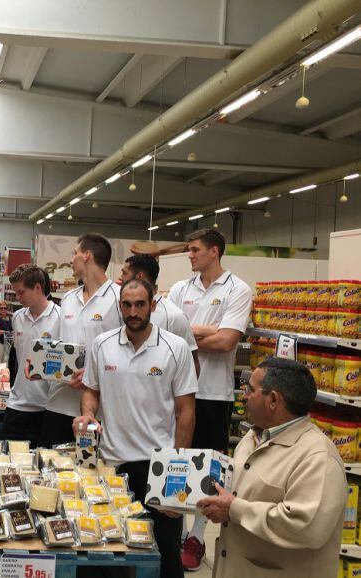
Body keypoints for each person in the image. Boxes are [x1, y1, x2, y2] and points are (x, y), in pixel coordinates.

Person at [74, 279, 197, 578]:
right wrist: (88, 413)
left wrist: (177, 471)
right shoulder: (102, 345)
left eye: (140, 304)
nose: (133, 311)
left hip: (158, 467)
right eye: (127, 305)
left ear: (153, 305)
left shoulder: (175, 347)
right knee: (111, 550)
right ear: (120, 307)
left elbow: (186, 411)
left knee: (165, 553)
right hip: (112, 465)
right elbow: (90, 390)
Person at [198, 358, 346, 578]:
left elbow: (307, 527)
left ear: (273, 400)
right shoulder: (252, 437)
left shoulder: (318, 457)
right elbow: (235, 494)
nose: (245, 396)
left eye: (250, 390)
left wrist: (234, 509)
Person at [167, 228, 253, 571]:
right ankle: (177, 528)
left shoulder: (238, 289)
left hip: (214, 393)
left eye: (194, 250)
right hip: (177, 390)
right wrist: (206, 330)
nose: (189, 255)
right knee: (177, 462)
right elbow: (169, 336)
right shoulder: (178, 289)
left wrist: (189, 330)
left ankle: (198, 535)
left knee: (208, 470)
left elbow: (227, 342)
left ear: (214, 252)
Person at [42, 234, 122, 447]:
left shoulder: (119, 298)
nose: (71, 259)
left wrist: (93, 375)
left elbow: (126, 351)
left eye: (74, 253)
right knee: (54, 471)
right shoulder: (68, 299)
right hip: (58, 403)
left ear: (87, 255)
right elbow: (58, 346)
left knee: (90, 475)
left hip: (98, 411)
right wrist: (40, 367)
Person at [1, 265, 59, 448]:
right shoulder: (17, 317)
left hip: (47, 407)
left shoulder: (60, 317)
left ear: (38, 288)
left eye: (21, 292)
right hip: (17, 404)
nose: (17, 298)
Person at [120, 254, 200, 375]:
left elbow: (192, 365)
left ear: (139, 276)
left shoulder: (174, 316)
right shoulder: (121, 308)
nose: (121, 278)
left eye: (124, 273)